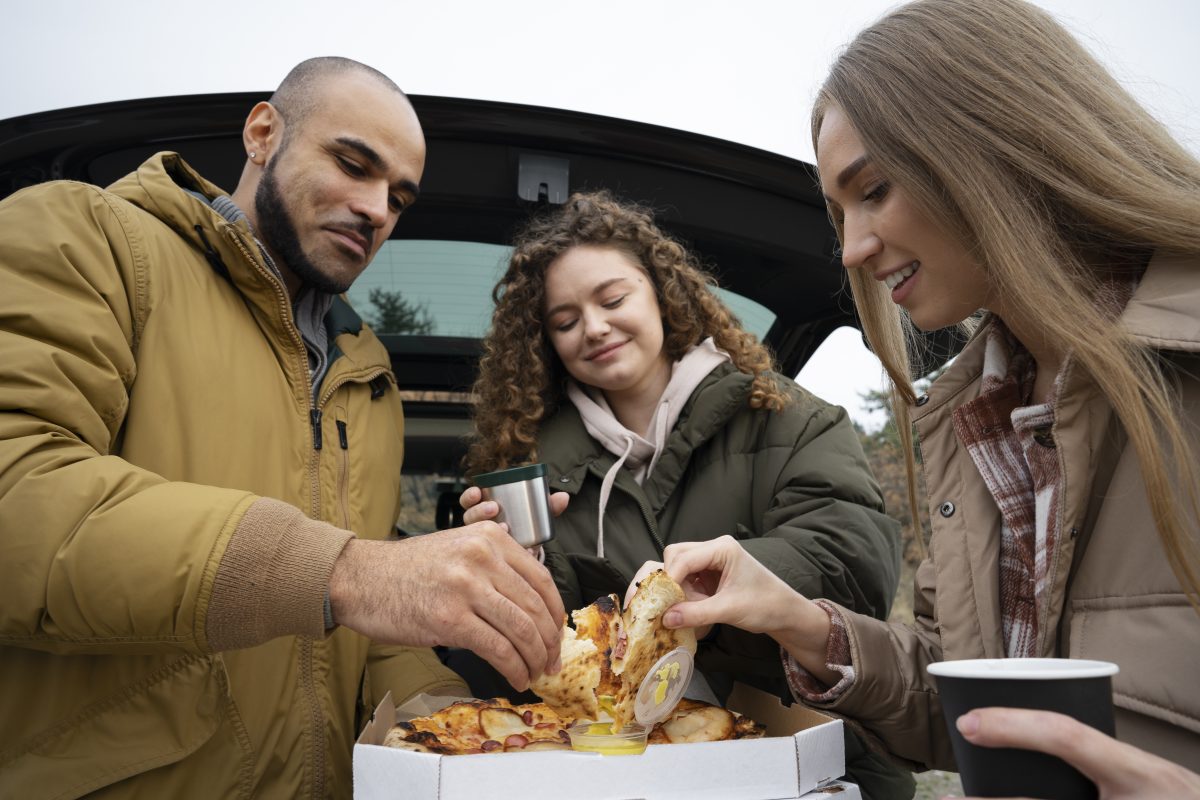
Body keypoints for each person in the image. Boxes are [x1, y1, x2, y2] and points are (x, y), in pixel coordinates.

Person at [653, 0, 1200, 795]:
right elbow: (962, 711)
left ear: (999, 139)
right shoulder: (969, 417)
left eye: (873, 189)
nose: (850, 248)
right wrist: (796, 619)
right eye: (839, 213)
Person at [0, 57, 562, 799]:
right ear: (263, 132)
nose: (376, 209)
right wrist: (349, 571)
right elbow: (20, 502)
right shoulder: (86, 235)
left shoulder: (370, 376)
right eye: (353, 163)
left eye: (398, 197)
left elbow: (362, 631)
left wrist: (451, 721)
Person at [459, 190, 913, 797]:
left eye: (613, 299)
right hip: (613, 778)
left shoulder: (785, 415)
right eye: (564, 321)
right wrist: (511, 568)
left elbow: (855, 570)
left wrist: (717, 588)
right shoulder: (529, 470)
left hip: (797, 765)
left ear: (660, 291)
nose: (594, 328)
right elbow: (535, 667)